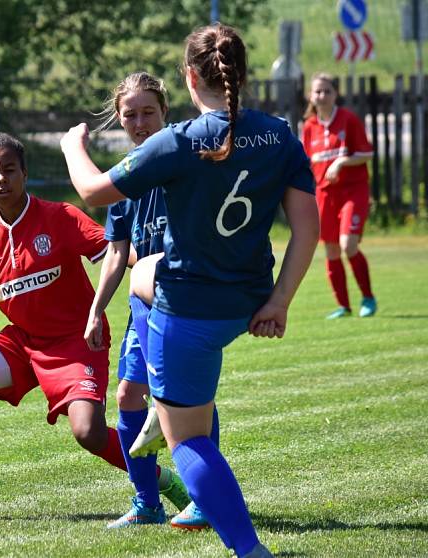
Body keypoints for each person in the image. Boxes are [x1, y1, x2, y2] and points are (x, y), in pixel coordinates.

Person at [60, 23, 319, 558]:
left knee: (189, 442)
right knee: (141, 272)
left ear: (187, 76)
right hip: (248, 303)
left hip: (190, 314)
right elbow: (307, 228)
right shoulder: (280, 133)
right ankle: (160, 393)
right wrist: (280, 301)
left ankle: (250, 550)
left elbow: (90, 190)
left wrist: (71, 146)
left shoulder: (179, 141)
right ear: (240, 75)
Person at [0, 132, 186, 524]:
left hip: (76, 341)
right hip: (22, 342)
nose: (1, 180)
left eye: (9, 171)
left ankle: (159, 479)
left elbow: (115, 251)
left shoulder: (61, 217)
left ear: (25, 173)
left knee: (89, 433)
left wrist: (158, 263)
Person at [85, 71, 205, 529]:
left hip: (181, 297)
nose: (139, 122)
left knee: (181, 401)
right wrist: (97, 309)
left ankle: (201, 498)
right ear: (119, 120)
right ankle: (147, 502)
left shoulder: (184, 161)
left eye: (147, 112)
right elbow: (116, 251)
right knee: (128, 394)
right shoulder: (124, 177)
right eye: (129, 114)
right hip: (140, 304)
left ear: (165, 113)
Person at [302, 72, 377, 319]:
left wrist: (343, 162)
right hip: (325, 194)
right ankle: (343, 306)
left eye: (327, 91)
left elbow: (367, 154)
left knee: (348, 244)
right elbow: (305, 163)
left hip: (353, 191)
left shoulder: (348, 120)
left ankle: (368, 298)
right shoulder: (310, 127)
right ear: (310, 96)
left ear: (336, 94)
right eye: (318, 91)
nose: (322, 96)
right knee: (332, 250)